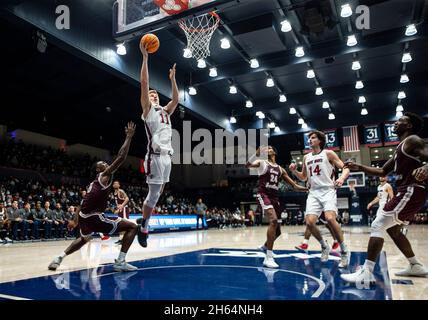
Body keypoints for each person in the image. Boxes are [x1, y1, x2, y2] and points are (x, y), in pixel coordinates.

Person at [341, 113, 428, 285]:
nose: (395, 123)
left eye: (400, 121)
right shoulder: (400, 147)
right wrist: (359, 167)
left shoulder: (413, 140)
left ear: (409, 125)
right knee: (392, 230)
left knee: (377, 224)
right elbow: (382, 171)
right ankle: (415, 265)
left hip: (411, 190)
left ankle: (367, 272)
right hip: (409, 190)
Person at [48, 122, 141, 272]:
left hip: (85, 217)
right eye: (103, 163)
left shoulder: (92, 184)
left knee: (85, 238)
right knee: (133, 226)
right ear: (99, 169)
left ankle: (59, 257)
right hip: (94, 217)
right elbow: (121, 157)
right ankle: (120, 261)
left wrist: (75, 220)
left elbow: (81, 204)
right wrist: (129, 137)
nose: (106, 163)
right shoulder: (104, 176)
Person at [137, 40, 178, 248]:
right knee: (153, 196)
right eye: (150, 95)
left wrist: (173, 79)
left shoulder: (165, 111)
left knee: (158, 194)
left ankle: (144, 217)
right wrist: (145, 58)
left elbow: (176, 99)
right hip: (154, 157)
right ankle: (144, 226)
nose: (152, 95)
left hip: (167, 157)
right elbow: (144, 83)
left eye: (155, 94)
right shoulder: (148, 110)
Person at [289, 129, 351, 268]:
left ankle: (344, 251)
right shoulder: (306, 157)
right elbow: (304, 177)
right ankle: (324, 246)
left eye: (313, 138)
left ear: (320, 141)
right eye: (309, 138)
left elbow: (345, 168)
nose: (310, 140)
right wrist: (294, 171)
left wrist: (341, 178)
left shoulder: (328, 153)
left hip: (328, 190)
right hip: (313, 192)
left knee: (330, 218)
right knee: (309, 222)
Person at [246, 146, 307, 268]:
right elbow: (248, 165)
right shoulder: (262, 162)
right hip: (263, 195)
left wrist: (307, 188)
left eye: (270, 148)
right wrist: (255, 154)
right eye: (266, 148)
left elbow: (294, 185)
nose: (267, 149)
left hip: (275, 198)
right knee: (273, 221)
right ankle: (268, 258)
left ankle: (264, 246)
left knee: (278, 231)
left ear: (274, 152)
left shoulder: (280, 169)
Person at [113, 181, 130, 245]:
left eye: (116, 183)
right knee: (120, 225)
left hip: (124, 209)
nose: (115, 184)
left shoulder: (121, 191)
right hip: (120, 210)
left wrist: (122, 206)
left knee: (124, 225)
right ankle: (120, 239)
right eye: (114, 183)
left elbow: (127, 199)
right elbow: (118, 203)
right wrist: (117, 209)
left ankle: (125, 239)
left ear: (119, 185)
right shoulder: (114, 193)